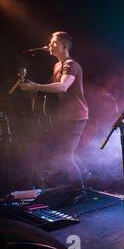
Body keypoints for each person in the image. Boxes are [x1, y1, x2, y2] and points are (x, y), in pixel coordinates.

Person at [20, 31, 89, 201]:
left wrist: (35, 87)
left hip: (76, 115)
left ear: (64, 46)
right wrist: (33, 90)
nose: (49, 45)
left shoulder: (70, 64)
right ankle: (87, 175)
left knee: (65, 155)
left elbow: (62, 87)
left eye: (53, 42)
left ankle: (80, 190)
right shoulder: (57, 66)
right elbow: (51, 88)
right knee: (68, 152)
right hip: (66, 116)